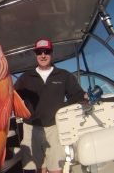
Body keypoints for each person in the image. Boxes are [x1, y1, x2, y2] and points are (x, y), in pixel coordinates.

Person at [14, 38, 86, 173]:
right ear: (35, 55)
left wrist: (84, 97)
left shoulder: (64, 75)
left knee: (56, 168)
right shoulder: (25, 77)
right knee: (36, 168)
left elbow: (77, 96)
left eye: (46, 52)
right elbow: (13, 98)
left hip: (56, 127)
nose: (43, 55)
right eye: (39, 52)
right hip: (31, 127)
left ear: (51, 53)